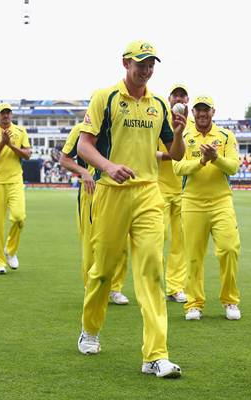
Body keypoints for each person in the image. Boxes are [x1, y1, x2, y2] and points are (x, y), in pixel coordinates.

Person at [76, 40, 186, 378]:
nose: (146, 69)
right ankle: (90, 329)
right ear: (125, 63)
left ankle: (155, 354)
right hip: (111, 193)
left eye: (151, 63)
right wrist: (108, 167)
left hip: (149, 194)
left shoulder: (158, 105)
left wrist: (179, 134)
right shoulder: (104, 98)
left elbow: (177, 154)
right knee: (103, 271)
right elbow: (83, 145)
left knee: (152, 270)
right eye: (141, 63)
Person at [173, 95, 242, 320]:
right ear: (193, 113)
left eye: (206, 110)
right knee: (193, 256)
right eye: (198, 110)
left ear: (214, 112)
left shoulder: (225, 136)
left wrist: (215, 159)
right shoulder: (184, 135)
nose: (202, 114)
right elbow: (178, 167)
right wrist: (201, 162)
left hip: (221, 200)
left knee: (229, 249)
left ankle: (230, 300)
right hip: (192, 202)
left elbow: (232, 167)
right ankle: (194, 303)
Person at [59, 122, 129, 305]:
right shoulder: (80, 130)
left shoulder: (120, 127)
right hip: (91, 191)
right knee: (91, 242)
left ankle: (115, 288)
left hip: (118, 190)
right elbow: (64, 159)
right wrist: (84, 172)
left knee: (121, 243)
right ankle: (92, 288)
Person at [0, 103, 31, 275]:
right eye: (2, 113)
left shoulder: (20, 131)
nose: (5, 116)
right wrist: (2, 143)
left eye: (8, 113)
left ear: (11, 115)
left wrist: (10, 144)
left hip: (15, 180)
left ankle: (10, 250)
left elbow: (27, 154)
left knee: (19, 217)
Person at [156, 83, 191, 303]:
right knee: (157, 237)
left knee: (180, 241)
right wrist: (168, 156)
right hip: (159, 185)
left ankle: (175, 287)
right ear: (169, 99)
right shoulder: (159, 119)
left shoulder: (195, 123)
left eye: (183, 96)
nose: (179, 99)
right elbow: (146, 148)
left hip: (184, 189)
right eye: (175, 95)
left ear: (187, 100)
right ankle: (153, 284)